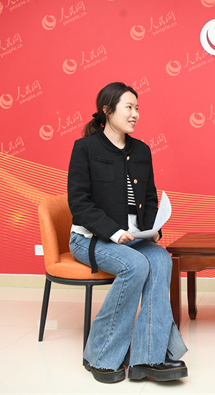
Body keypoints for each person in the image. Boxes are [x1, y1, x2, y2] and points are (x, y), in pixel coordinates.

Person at [67, 82, 188, 383]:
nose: (135, 114)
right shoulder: (85, 149)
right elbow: (79, 203)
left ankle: (149, 357)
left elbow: (149, 198)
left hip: (134, 237)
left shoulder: (142, 150)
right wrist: (114, 231)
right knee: (135, 265)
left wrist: (153, 228)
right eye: (129, 107)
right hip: (91, 238)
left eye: (137, 108)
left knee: (161, 260)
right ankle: (100, 354)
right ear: (107, 110)